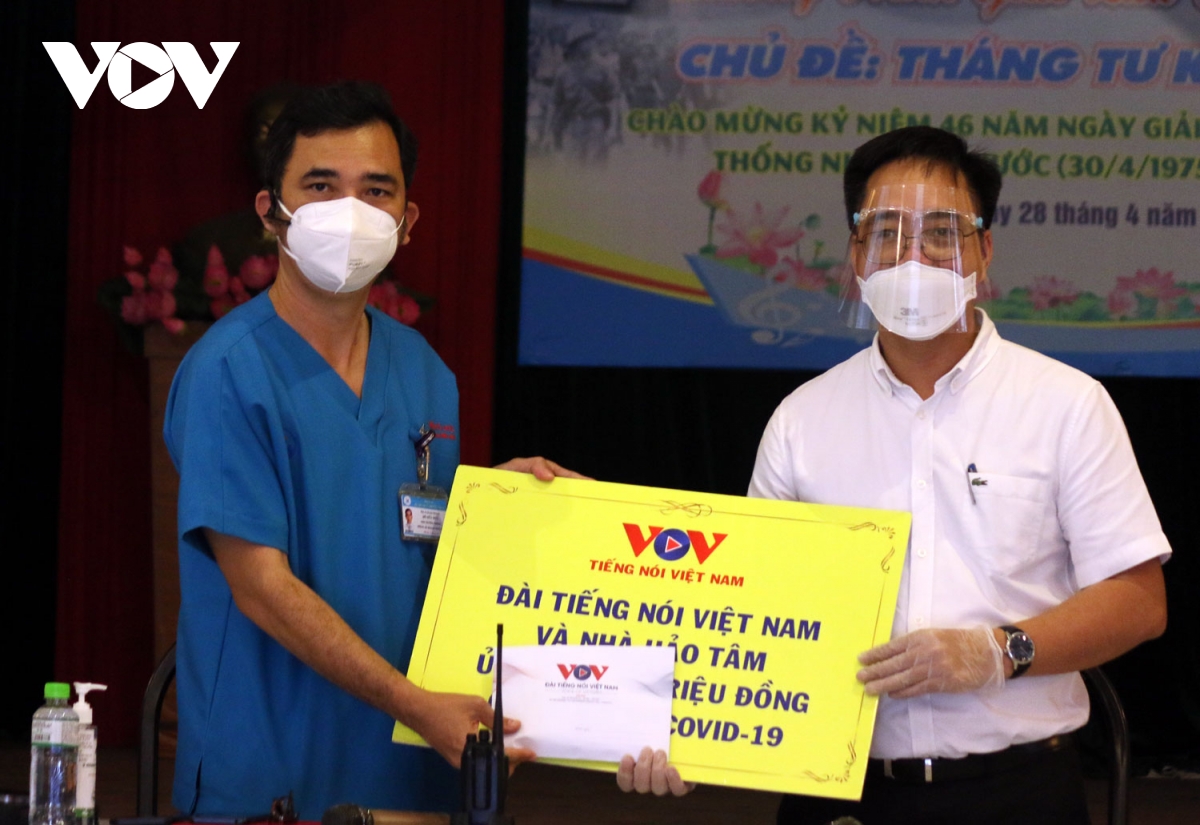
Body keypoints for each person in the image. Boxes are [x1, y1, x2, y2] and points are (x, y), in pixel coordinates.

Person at [165, 81, 675, 819]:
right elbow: (262, 589)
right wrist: (417, 705)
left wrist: (486, 506)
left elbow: (406, 527)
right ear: (271, 213)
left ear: (406, 222)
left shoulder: (423, 371)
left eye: (376, 190)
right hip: (275, 771)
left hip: (414, 769)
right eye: (320, 186)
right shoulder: (227, 371)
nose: (350, 212)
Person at [748, 126, 1170, 824]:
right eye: (887, 233)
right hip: (841, 792)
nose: (913, 257)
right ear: (855, 254)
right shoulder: (801, 419)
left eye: (942, 233)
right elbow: (750, 608)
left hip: (1017, 790)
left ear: (984, 250)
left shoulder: (1066, 404)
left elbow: (1138, 601)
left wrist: (996, 651)